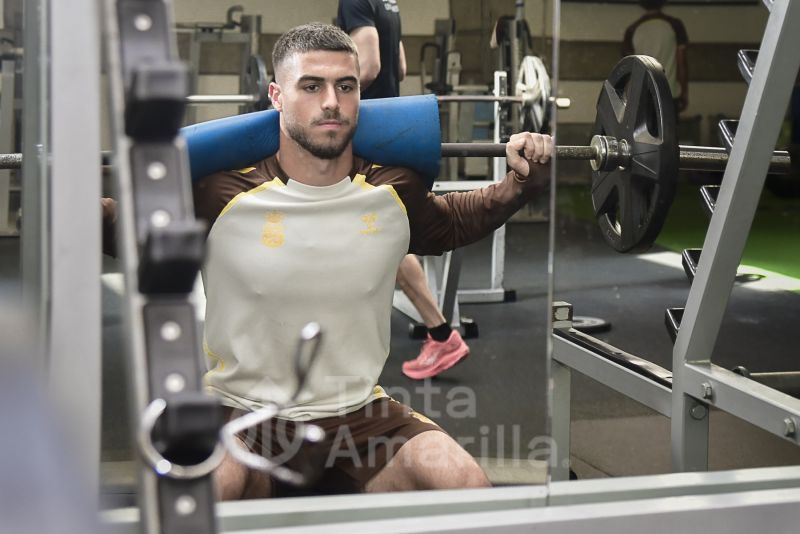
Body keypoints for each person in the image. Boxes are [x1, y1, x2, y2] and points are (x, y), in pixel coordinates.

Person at [108, 22, 551, 499]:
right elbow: (124, 226)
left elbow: (454, 221)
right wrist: (67, 187)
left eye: (346, 86)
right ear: (276, 95)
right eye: (311, 86)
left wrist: (520, 183)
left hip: (359, 419)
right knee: (205, 489)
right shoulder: (220, 193)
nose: (332, 103)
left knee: (464, 483)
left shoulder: (392, 190)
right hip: (243, 415)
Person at [337, 0, 469, 381]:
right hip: (387, 123)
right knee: (371, 234)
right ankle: (439, 333)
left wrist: (331, 96)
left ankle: (440, 333)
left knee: (371, 234)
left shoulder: (354, 1)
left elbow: (373, 64)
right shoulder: (388, 3)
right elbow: (401, 67)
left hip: (365, 128)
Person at [622, 0, 689, 114]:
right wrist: (684, 93)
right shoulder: (675, 25)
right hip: (669, 92)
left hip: (642, 94)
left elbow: (629, 69)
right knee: (668, 130)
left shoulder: (632, 29)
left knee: (644, 131)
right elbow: (681, 62)